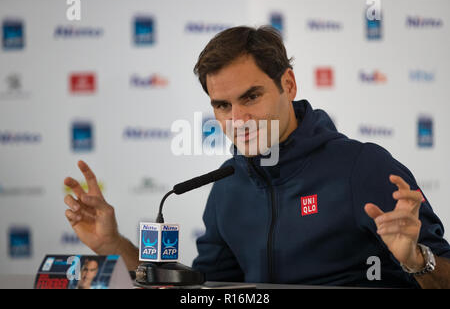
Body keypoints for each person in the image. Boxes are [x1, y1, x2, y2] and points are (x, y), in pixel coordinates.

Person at [63, 26, 450, 288]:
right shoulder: (226, 184)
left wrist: (417, 259)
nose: (238, 119)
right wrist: (113, 245)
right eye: (223, 105)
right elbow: (202, 291)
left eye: (251, 97)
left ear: (288, 84)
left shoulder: (362, 167)